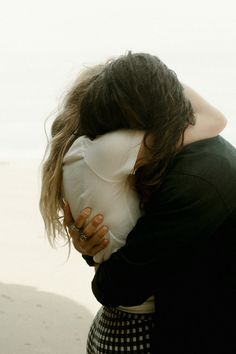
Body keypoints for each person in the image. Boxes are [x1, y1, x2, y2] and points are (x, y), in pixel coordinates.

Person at [40, 52, 232, 353]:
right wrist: (93, 247)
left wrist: (98, 260)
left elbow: (116, 286)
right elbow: (141, 244)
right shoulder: (175, 156)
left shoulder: (198, 178)